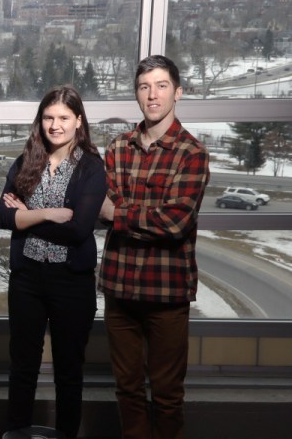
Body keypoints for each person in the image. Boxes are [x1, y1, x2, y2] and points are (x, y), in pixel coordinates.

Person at [98, 55, 210, 439]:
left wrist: (121, 213)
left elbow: (176, 221)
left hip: (166, 294)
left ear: (177, 92)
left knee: (166, 395)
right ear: (137, 94)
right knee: (127, 391)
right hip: (120, 290)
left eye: (161, 85)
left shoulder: (191, 153)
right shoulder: (117, 148)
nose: (153, 94)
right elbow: (102, 209)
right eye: (145, 87)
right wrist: (135, 214)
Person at [0, 85, 106, 438]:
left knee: (68, 372)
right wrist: (49, 213)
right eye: (48, 118)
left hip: (71, 282)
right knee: (22, 368)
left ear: (78, 121)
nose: (54, 125)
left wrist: (28, 216)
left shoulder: (91, 167)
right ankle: (16, 433)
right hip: (27, 279)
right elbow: (2, 216)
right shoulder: (26, 160)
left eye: (62, 118)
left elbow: (79, 229)